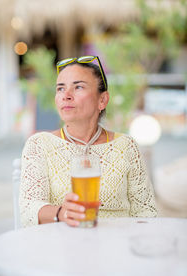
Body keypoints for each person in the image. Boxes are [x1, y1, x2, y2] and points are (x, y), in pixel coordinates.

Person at [19, 55, 157, 227]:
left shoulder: (126, 146)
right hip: (63, 246)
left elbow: (146, 212)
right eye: (60, 89)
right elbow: (28, 209)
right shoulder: (40, 144)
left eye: (78, 87)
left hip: (118, 244)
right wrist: (62, 213)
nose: (66, 95)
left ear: (102, 100)